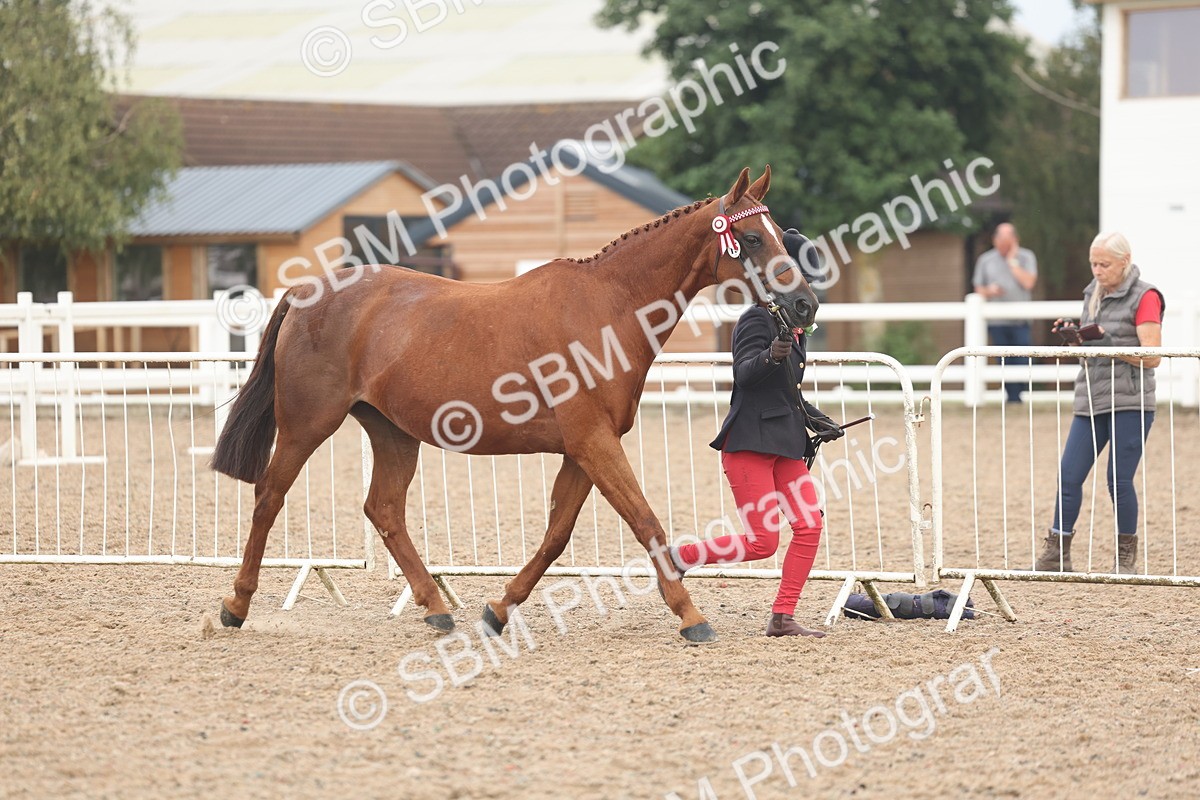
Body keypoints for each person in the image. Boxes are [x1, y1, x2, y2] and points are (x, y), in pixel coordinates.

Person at [663, 230, 844, 638]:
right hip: (749, 445)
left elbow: (787, 393)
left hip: (786, 446)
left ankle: (782, 616)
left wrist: (818, 419)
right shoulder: (756, 319)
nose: (807, 290)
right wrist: (769, 355)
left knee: (809, 526)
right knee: (762, 542)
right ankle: (680, 556)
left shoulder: (794, 331)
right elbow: (744, 376)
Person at [1036, 232, 1164, 575]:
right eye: (1093, 263)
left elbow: (1153, 357)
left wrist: (1109, 345)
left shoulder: (1146, 296)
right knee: (1069, 475)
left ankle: (1126, 559)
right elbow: (1094, 343)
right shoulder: (1092, 292)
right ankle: (1056, 552)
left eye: (1104, 264)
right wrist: (1076, 336)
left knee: (1118, 480)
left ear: (1125, 261)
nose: (1097, 270)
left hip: (1131, 401)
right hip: (1091, 397)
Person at [973, 223, 1038, 403]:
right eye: (1000, 240)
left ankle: (1018, 395)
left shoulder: (1026, 257)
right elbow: (978, 288)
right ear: (994, 240)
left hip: (1020, 320)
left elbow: (1028, 283)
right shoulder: (985, 260)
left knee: (1022, 357)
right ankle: (1012, 397)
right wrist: (990, 291)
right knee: (1003, 359)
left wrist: (1012, 260)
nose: (1003, 244)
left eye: (1008, 241)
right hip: (997, 321)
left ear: (1015, 240)